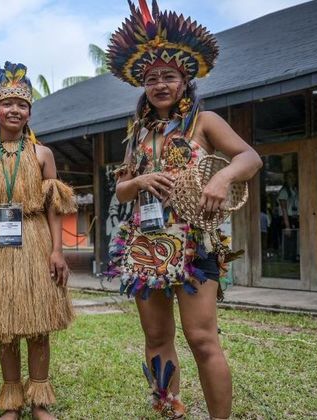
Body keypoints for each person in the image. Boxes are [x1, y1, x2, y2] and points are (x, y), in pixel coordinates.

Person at [105, 1, 262, 418]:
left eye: (168, 76)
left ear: (185, 80)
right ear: (143, 85)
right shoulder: (137, 133)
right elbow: (120, 192)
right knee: (156, 337)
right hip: (146, 244)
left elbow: (251, 158)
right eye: (151, 78)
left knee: (202, 337)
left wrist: (222, 178)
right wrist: (137, 182)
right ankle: (171, 410)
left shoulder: (204, 122)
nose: (159, 84)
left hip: (195, 242)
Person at [0, 62, 76, 420]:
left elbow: (54, 208)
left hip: (36, 238)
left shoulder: (43, 154)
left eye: (22, 105)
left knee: (39, 323)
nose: (15, 110)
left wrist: (58, 250)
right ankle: (11, 400)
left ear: (29, 112)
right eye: (7, 104)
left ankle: (40, 400)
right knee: (6, 326)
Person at [278, 171, 299, 260]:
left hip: (294, 217)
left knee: (294, 242)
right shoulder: (284, 191)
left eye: (293, 177)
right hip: (286, 218)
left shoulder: (295, 190)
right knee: (288, 242)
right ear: (286, 179)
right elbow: (284, 209)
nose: (292, 179)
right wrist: (287, 226)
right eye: (289, 177)